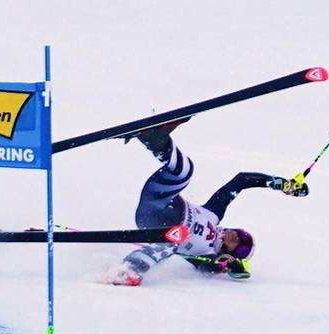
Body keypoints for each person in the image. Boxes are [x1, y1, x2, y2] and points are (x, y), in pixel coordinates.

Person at [107, 121, 308, 286]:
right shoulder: (214, 213)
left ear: (230, 253)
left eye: (237, 244)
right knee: (184, 172)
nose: (235, 237)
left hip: (154, 224)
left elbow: (219, 269)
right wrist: (280, 184)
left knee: (171, 243)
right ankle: (154, 139)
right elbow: (242, 180)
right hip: (160, 202)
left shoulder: (207, 255)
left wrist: (231, 266)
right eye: (241, 234)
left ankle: (128, 271)